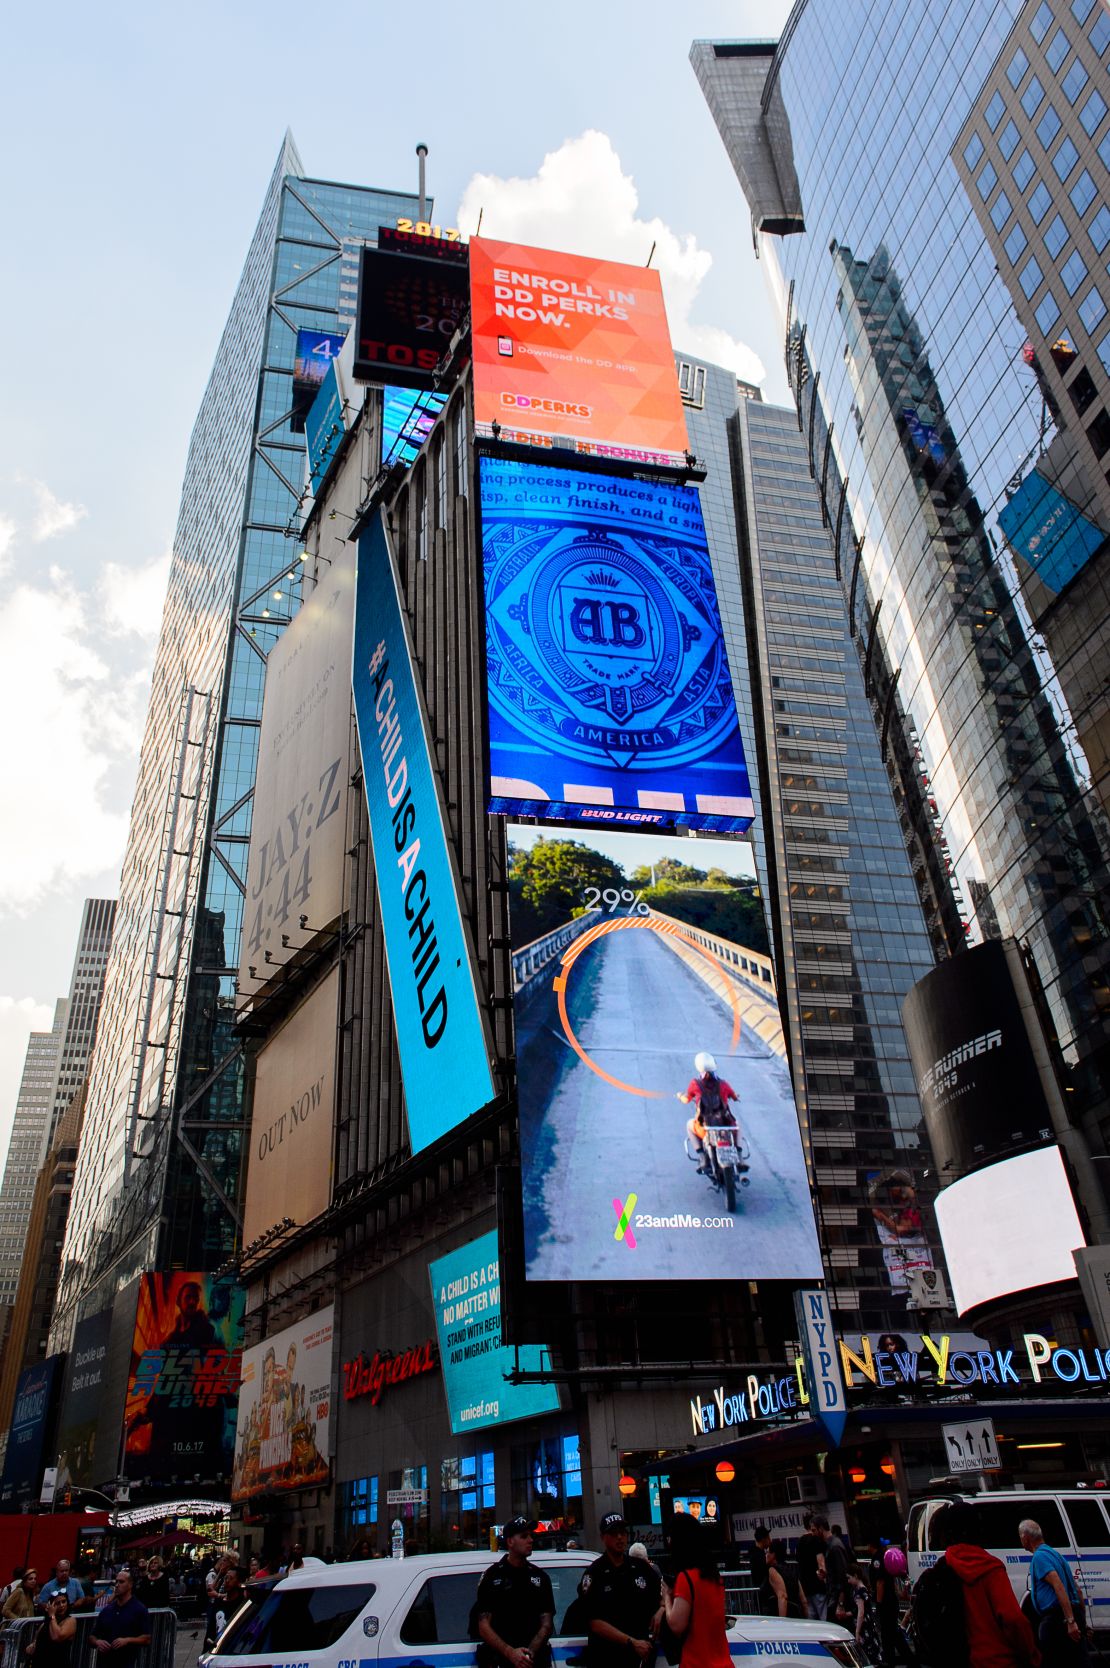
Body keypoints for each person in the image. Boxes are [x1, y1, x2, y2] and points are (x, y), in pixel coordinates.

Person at [918, 1501, 1039, 1668]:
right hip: (999, 1661)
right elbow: (1013, 1619)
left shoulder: (941, 1570)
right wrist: (1031, 1655)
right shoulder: (990, 1569)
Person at [575, 1514, 662, 1668]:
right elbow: (594, 1622)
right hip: (608, 1657)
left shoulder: (640, 1568)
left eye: (623, 1532)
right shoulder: (595, 1573)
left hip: (640, 1658)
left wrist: (661, 1609)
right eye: (614, 1533)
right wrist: (632, 1642)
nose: (620, 1537)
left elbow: (666, 1592)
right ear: (603, 1537)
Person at [474, 1517, 555, 1668]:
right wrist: (510, 1653)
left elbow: (547, 1623)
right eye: (524, 1536)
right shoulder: (492, 1577)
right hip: (500, 1661)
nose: (530, 1540)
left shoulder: (540, 1577)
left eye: (531, 1535)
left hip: (534, 1661)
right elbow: (483, 1625)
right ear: (510, 1541)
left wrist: (527, 1655)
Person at [661, 1512, 730, 1668]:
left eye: (670, 1538)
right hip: (723, 1661)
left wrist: (666, 1597)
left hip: (696, 1662)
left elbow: (676, 1625)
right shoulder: (715, 1577)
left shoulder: (686, 1578)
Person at [1019, 1519, 1088, 1665]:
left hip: (1056, 1620)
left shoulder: (1039, 1557)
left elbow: (1058, 1585)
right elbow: (1077, 1590)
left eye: (1020, 1536)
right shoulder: (1057, 1555)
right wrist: (1082, 1622)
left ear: (1025, 1537)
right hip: (1073, 1614)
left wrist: (1070, 1621)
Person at [676, 1054, 744, 1177]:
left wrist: (680, 1096)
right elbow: (734, 1097)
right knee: (738, 1125)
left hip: (704, 1127)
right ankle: (739, 1155)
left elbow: (686, 1100)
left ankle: (702, 1156)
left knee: (689, 1125)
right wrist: (735, 1097)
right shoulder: (723, 1084)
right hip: (726, 1125)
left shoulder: (695, 1084)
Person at [90, 1570, 151, 1668]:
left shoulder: (139, 1609)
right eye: (116, 1582)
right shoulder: (107, 1610)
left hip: (125, 1662)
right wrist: (98, 1642)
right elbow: (92, 1636)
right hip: (103, 1662)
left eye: (121, 1582)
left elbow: (146, 1639)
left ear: (130, 1585)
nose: (117, 1585)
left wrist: (127, 1640)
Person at [24, 1591, 76, 1668]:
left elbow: (56, 1637)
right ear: (51, 1605)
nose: (62, 1605)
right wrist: (32, 1646)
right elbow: (35, 1643)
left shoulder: (70, 1621)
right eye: (57, 1603)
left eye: (64, 1601)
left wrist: (52, 1615)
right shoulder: (45, 1624)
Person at [845, 1564, 885, 1664]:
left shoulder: (859, 1592)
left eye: (849, 1578)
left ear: (855, 1576)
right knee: (873, 1652)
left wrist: (857, 1632)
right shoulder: (864, 1589)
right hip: (869, 1625)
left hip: (864, 1628)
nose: (848, 1581)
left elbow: (861, 1612)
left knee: (866, 1656)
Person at [759, 1542, 807, 1621]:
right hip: (796, 1618)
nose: (766, 1555)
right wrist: (806, 1619)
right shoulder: (792, 1571)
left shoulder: (772, 1570)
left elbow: (782, 1596)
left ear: (773, 1555)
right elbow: (804, 1601)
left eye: (767, 1552)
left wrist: (782, 1622)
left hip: (777, 1617)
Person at [813, 1519, 848, 1621]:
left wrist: (840, 1604)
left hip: (837, 1599)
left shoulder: (834, 1546)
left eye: (814, 1530)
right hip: (833, 1597)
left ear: (821, 1529)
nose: (813, 1534)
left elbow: (843, 1577)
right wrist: (826, 1574)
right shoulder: (830, 1545)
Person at [795, 1514, 827, 1620]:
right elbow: (821, 1563)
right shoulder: (816, 1540)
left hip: (805, 1586)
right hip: (818, 1585)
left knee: (811, 1617)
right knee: (824, 1616)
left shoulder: (799, 1542)